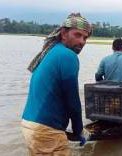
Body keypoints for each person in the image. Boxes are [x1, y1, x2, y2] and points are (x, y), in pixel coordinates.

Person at [21, 13, 92, 155]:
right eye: (77, 35)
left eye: (85, 37)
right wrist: (79, 131)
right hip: (46, 130)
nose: (82, 41)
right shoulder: (68, 56)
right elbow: (73, 101)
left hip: (29, 125)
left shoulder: (52, 52)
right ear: (64, 33)